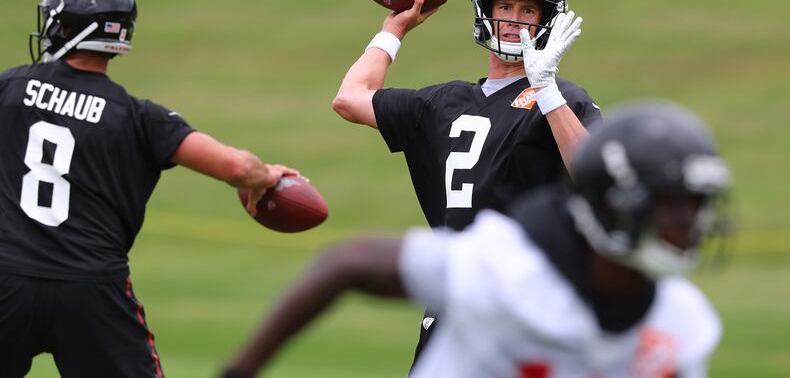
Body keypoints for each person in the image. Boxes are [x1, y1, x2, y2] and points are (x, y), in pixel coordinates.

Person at [220, 101, 732, 378]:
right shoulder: (504, 268)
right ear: (612, 204)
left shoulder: (684, 322)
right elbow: (348, 262)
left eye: (696, 205)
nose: (689, 225)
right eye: (671, 205)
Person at [0, 0, 296, 377]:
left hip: (6, 279)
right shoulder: (139, 117)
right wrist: (264, 178)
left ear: (64, 27)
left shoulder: (10, 88)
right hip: (93, 290)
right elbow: (235, 166)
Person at [332, 0, 602, 359]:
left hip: (528, 300)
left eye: (527, 10)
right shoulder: (443, 101)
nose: (513, 19)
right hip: (455, 298)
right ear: (484, 11)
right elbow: (350, 99)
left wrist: (546, 90)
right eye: (505, 6)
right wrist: (394, 29)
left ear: (544, 19)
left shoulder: (562, 100)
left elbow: (598, 178)